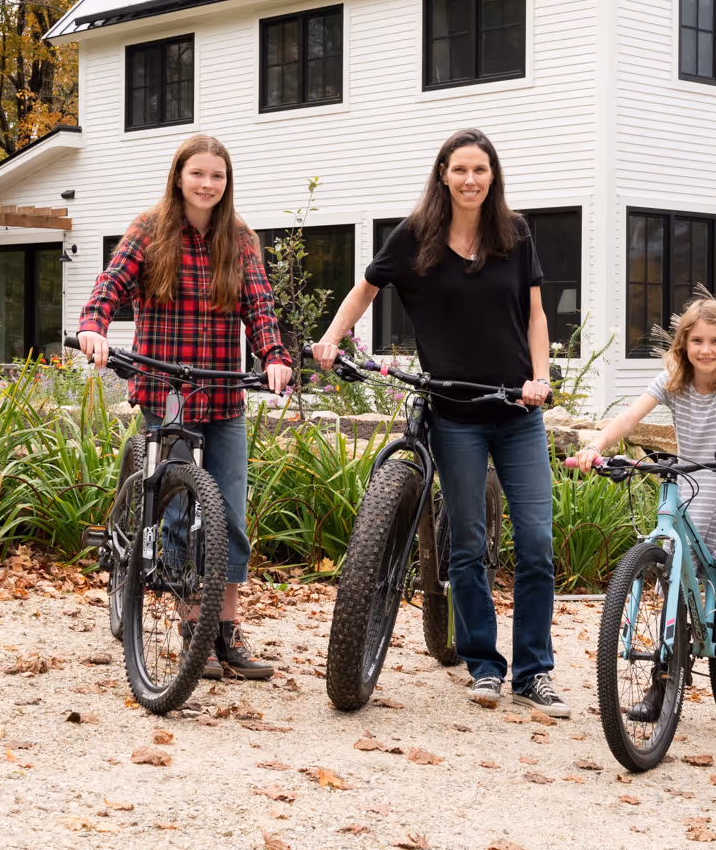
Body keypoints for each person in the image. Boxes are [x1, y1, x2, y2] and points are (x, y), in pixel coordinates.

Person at [311, 128, 563, 716]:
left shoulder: (515, 233)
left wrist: (541, 377)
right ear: (443, 174)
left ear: (492, 176)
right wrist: (331, 337)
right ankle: (483, 665)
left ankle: (533, 671)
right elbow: (365, 288)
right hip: (455, 416)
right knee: (467, 542)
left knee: (537, 542)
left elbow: (534, 315)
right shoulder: (416, 235)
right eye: (460, 170)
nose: (470, 180)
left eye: (481, 170)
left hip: (517, 411)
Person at [77, 134, 294, 681]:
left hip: (223, 394)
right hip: (166, 390)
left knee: (232, 515)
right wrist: (92, 329)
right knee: (178, 513)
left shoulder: (240, 239)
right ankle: (191, 623)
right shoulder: (149, 231)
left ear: (227, 182)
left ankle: (226, 631)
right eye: (198, 174)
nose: (207, 184)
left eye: (217, 176)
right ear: (179, 177)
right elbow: (108, 289)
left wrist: (274, 356)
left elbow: (260, 307)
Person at [566, 296, 716, 742]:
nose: (706, 350)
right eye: (697, 340)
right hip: (691, 488)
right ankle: (662, 684)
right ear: (683, 343)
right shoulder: (672, 381)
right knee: (674, 585)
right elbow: (627, 419)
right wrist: (597, 446)